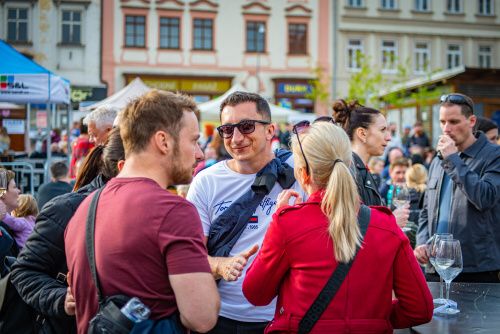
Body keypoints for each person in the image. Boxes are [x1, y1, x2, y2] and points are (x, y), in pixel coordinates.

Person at [242, 122, 433, 333]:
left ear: (303, 174)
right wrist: (375, 318)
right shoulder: (386, 225)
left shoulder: (288, 223)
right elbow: (420, 308)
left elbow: (255, 293)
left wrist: (277, 218)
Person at [65, 90, 219, 333]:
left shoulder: (85, 207)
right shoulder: (173, 211)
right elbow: (202, 317)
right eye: (193, 140)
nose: (199, 154)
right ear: (163, 141)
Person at [187, 91, 304, 333]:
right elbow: (190, 258)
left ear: (270, 130)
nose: (237, 138)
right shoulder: (206, 181)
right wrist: (220, 265)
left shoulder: (299, 172)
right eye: (227, 130)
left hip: (283, 315)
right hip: (220, 316)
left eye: (247, 126)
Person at [7, 128, 125, 333]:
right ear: (124, 166)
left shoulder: (156, 209)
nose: (196, 154)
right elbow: (24, 271)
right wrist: (62, 299)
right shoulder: (66, 209)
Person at [414, 93, 500, 283]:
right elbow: (426, 209)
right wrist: (421, 243)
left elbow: (485, 197)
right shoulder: (440, 159)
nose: (446, 129)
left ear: (471, 121)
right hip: (435, 266)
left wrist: (453, 159)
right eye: (442, 122)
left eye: (453, 121)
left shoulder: (493, 155)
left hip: (476, 268)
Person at [332, 99, 409, 227]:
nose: (389, 137)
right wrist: (391, 221)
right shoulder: (348, 171)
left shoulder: (359, 169)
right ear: (362, 133)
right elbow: (350, 227)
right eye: (383, 130)